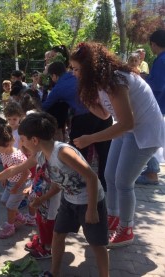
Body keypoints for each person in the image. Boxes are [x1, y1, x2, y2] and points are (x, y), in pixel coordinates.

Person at [0, 112, 109, 277]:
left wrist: (92, 209)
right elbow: (52, 180)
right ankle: (54, 273)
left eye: (23, 140)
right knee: (58, 234)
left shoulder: (63, 152)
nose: (21, 143)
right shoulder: (40, 154)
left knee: (96, 244)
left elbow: (91, 177)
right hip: (69, 200)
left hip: (90, 201)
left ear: (34, 140)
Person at [69, 42, 165, 247]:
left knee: (123, 182)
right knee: (109, 175)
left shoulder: (115, 80)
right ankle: (113, 217)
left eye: (77, 69)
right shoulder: (102, 81)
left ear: (90, 67)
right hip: (126, 129)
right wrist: (84, 99)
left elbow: (127, 123)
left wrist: (91, 138)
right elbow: (104, 114)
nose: (74, 74)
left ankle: (126, 229)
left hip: (142, 133)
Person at [44, 61, 113, 191]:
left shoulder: (59, 87)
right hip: (104, 115)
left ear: (54, 76)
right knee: (104, 152)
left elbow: (45, 106)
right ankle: (104, 185)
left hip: (84, 118)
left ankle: (80, 185)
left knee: (78, 152)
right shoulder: (76, 75)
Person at [0, 124, 31, 239]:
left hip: (20, 184)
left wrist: (18, 186)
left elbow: (26, 173)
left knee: (11, 206)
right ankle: (19, 217)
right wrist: (5, 178)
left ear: (8, 144)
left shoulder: (16, 156)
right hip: (11, 182)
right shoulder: (3, 153)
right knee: (4, 201)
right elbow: (7, 167)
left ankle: (10, 226)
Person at [136, 29, 165, 185]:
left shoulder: (161, 60)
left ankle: (152, 172)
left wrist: (142, 81)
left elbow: (158, 85)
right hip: (159, 106)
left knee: (146, 136)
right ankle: (151, 169)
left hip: (155, 105)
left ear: (154, 44)